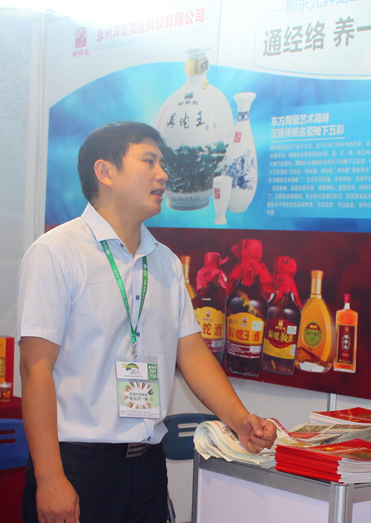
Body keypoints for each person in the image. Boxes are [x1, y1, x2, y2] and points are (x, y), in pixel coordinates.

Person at [17, 121, 277, 523]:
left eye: (163, 164)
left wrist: (240, 420)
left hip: (147, 466)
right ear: (105, 172)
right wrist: (49, 477)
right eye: (149, 161)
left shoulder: (165, 261)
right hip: (78, 466)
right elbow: (36, 368)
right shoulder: (56, 253)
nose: (163, 175)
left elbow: (192, 354)